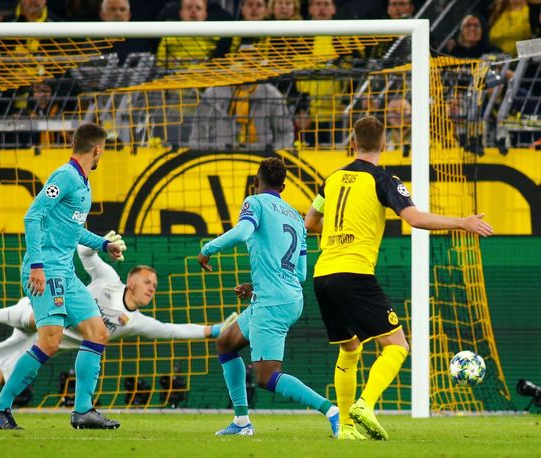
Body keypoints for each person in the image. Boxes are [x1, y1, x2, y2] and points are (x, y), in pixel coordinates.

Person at [0, 234, 237, 417]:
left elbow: (173, 330)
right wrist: (103, 242)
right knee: (33, 317)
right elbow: (86, 256)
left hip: (44, 342)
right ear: (131, 281)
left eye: (154, 286)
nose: (151, 289)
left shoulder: (134, 322)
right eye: (147, 282)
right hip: (44, 310)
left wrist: (214, 330)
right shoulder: (109, 280)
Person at [304, 116, 494, 441]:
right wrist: (461, 222)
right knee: (397, 345)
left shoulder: (332, 179)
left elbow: (310, 222)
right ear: (384, 145)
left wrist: (340, 231)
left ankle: (347, 430)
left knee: (349, 349)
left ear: (352, 143)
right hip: (353, 271)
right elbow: (414, 218)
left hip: (322, 273)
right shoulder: (384, 180)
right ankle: (364, 404)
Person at [0, 122, 121, 430]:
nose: (102, 156)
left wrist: (104, 244)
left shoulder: (83, 184)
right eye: (104, 150)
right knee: (50, 342)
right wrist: (36, 266)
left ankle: (83, 410)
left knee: (98, 332)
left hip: (66, 273)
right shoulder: (66, 176)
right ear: (97, 149)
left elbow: (72, 230)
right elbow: (32, 215)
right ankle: (0, 407)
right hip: (45, 270)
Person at [197, 157, 340, 437]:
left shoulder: (255, 202)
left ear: (255, 182)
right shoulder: (297, 217)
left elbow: (243, 232)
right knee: (226, 342)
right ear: (283, 186)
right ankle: (241, 422)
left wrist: (208, 249)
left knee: (266, 376)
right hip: (288, 297)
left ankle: (330, 411)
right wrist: (255, 284)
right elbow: (299, 271)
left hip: (272, 302)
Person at [189, 83, 294, 150]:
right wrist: (204, 156)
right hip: (221, 160)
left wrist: (272, 154)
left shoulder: (272, 95)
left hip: (263, 163)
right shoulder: (213, 94)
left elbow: (287, 133)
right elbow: (197, 134)